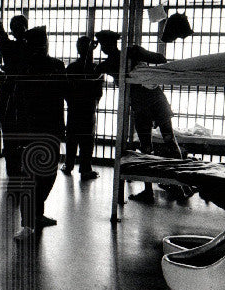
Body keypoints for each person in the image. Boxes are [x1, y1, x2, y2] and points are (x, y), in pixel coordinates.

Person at [95, 29, 184, 203]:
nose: (104, 48)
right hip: (152, 102)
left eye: (104, 44)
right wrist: (142, 55)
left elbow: (161, 59)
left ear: (110, 44)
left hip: (146, 104)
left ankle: (165, 187)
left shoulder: (124, 56)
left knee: (150, 145)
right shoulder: (125, 56)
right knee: (164, 141)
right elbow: (160, 58)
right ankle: (175, 186)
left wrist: (142, 56)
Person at [11, 26, 66, 240]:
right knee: (33, 177)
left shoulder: (54, 66)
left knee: (46, 174)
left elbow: (65, 92)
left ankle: (37, 215)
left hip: (47, 128)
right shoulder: (26, 67)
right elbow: (17, 102)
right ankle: (27, 223)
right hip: (34, 129)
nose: (41, 48)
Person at [0, 0, 29, 176]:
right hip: (26, 93)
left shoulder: (8, 45)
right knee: (25, 131)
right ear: (26, 29)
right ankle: (23, 166)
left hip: (8, 91)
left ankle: (12, 169)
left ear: (12, 29)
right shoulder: (30, 47)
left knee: (9, 130)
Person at [63, 35, 104, 180]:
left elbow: (65, 89)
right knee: (87, 140)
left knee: (72, 138)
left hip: (74, 108)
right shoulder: (96, 68)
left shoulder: (71, 67)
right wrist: (92, 103)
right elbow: (98, 92)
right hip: (88, 108)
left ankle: (68, 166)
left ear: (77, 49)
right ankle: (85, 168)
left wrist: (72, 102)